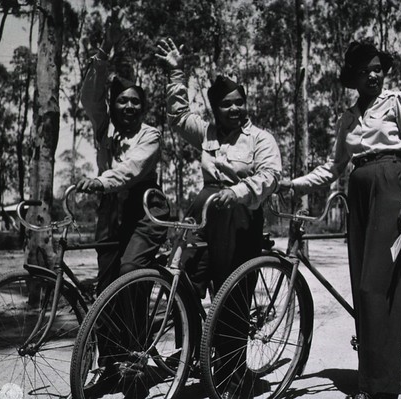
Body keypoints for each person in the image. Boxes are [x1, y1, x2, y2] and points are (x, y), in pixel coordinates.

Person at [280, 42, 401, 399]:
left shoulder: (398, 102)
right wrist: (294, 184)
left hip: (389, 188)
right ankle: (371, 380)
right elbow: (332, 169)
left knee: (373, 288)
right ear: (355, 77)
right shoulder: (347, 117)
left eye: (379, 68)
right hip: (358, 194)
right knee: (363, 289)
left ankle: (380, 389)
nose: (375, 75)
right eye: (367, 70)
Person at [155, 37, 282, 397]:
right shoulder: (207, 132)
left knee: (231, 291)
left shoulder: (260, 138)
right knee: (187, 284)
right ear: (215, 108)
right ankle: (192, 356)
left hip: (239, 216)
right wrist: (176, 72)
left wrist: (237, 191)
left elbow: (270, 176)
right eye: (227, 104)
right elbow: (178, 117)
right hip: (204, 212)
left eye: (240, 102)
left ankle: (232, 373)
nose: (236, 109)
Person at [76, 11, 169, 399]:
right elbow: (89, 96)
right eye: (122, 101)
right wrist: (102, 57)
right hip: (110, 212)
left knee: (131, 272)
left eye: (135, 102)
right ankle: (110, 365)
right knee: (104, 287)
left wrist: (98, 180)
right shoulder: (104, 127)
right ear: (112, 105)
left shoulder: (151, 134)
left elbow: (130, 170)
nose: (129, 107)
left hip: (145, 210)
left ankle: (137, 357)